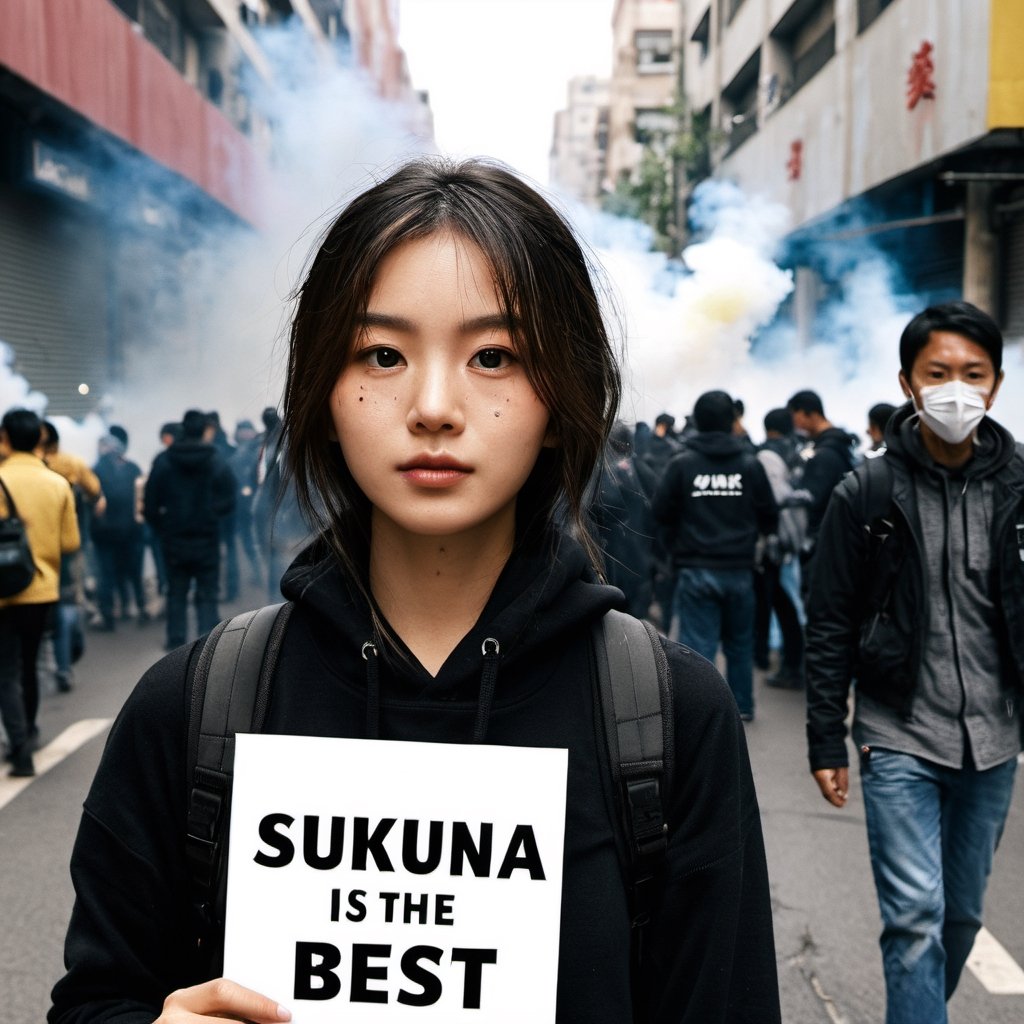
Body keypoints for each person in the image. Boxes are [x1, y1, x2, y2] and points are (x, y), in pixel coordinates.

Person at [50, 158, 780, 1023]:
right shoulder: (193, 705)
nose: (434, 405)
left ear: (563, 400)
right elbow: (98, 999)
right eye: (383, 353)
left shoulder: (669, 719)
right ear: (322, 392)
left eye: (496, 356)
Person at [805, 300, 1022, 1024]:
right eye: (938, 373)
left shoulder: (1019, 491)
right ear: (908, 382)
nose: (956, 389)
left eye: (972, 373)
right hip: (900, 732)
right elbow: (830, 618)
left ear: (993, 384)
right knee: (915, 919)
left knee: (959, 917)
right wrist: (824, 737)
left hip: (994, 740)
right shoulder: (866, 493)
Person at [652, 390, 779, 721]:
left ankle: (700, 713)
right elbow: (770, 515)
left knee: (697, 648)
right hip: (740, 569)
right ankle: (743, 707)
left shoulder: (682, 463)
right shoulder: (750, 465)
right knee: (739, 644)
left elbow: (661, 511)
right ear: (731, 422)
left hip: (696, 568)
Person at [0, 409, 80, 776]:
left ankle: (19, 747)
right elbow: (70, 542)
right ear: (39, 440)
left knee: (6, 670)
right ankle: (29, 731)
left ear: (5, 438)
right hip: (42, 589)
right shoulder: (56, 483)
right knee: (30, 666)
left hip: (3, 592)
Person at [144, 409, 236, 650]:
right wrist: (213, 515)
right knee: (207, 593)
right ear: (204, 429)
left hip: (174, 539)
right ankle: (206, 649)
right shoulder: (215, 459)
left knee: (176, 593)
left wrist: (163, 526)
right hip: (206, 538)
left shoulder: (164, 461)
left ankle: (176, 646)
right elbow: (230, 497)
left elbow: (150, 502)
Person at [754, 408, 806, 687]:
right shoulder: (798, 450)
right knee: (789, 603)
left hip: (776, 542)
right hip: (797, 539)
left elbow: (772, 498)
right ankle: (791, 661)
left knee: (780, 603)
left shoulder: (767, 455)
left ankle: (789, 664)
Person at [90, 428, 147, 630]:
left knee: (107, 575)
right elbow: (141, 499)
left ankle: (108, 615)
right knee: (133, 572)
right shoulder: (132, 468)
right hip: (131, 530)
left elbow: (92, 500)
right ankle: (140, 608)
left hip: (105, 533)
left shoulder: (96, 469)